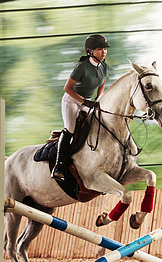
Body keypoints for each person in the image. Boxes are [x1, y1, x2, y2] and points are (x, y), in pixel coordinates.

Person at [52, 34, 110, 180]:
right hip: (71, 100)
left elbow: (102, 83)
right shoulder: (82, 67)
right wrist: (84, 102)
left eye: (105, 49)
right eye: (99, 49)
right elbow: (67, 88)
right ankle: (58, 166)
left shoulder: (104, 67)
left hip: (88, 102)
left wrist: (99, 99)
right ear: (90, 51)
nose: (103, 52)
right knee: (70, 129)